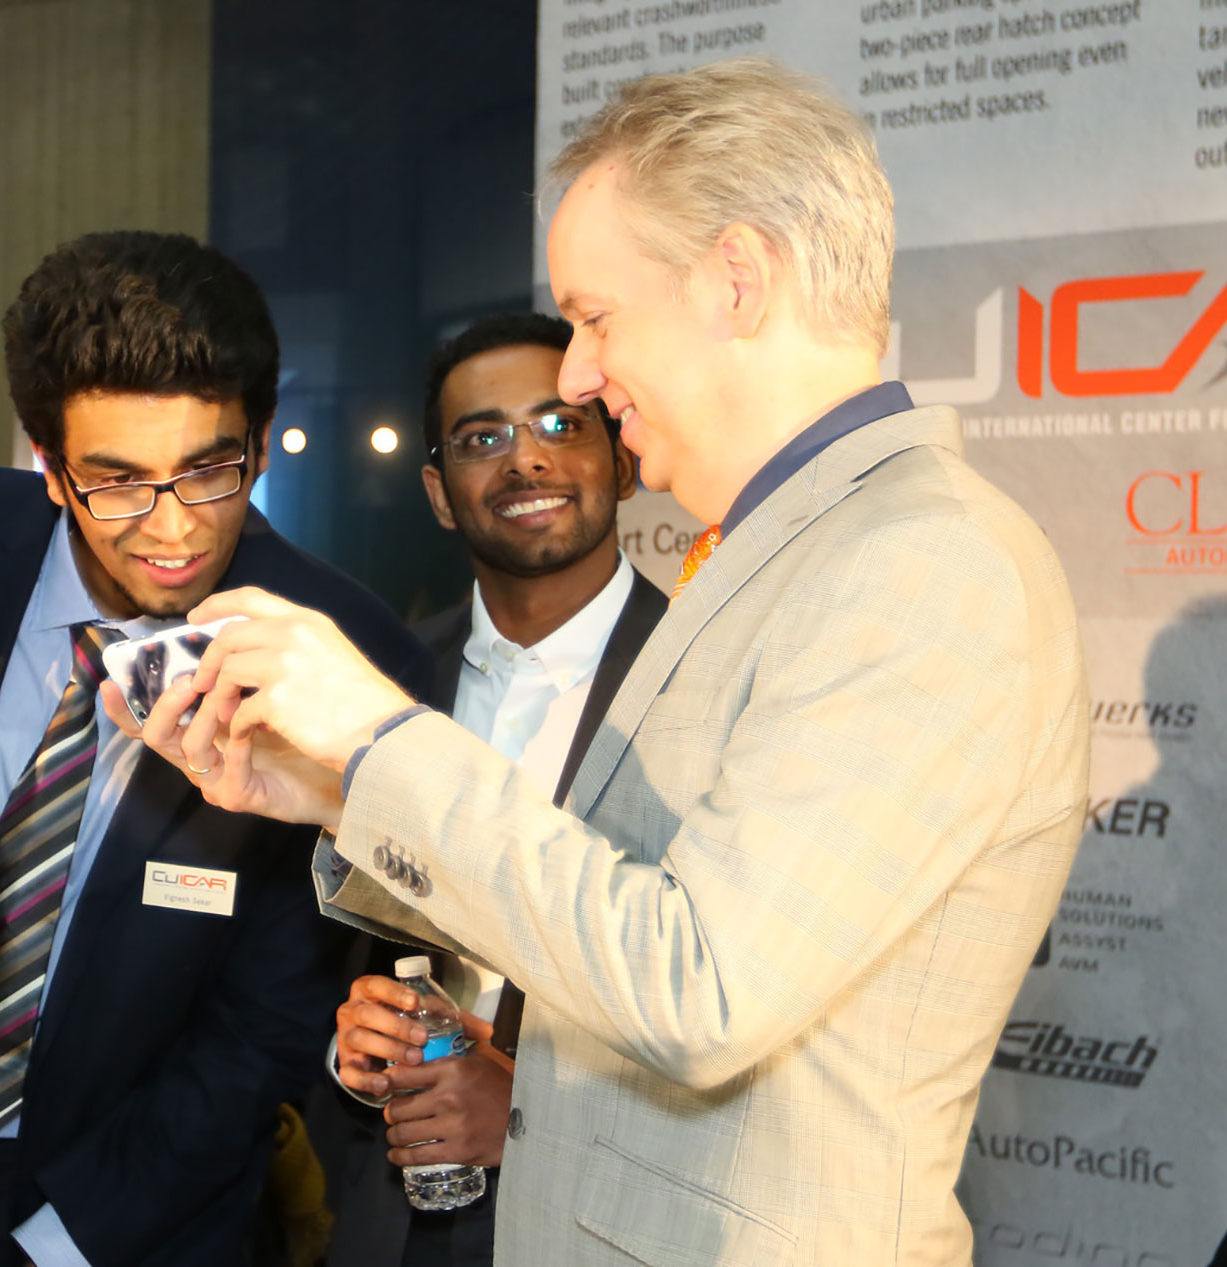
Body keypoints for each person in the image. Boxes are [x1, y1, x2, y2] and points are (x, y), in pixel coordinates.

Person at [116, 58, 1089, 1264]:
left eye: (597, 318)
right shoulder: (787, 554)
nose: (576, 372)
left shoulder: (920, 561)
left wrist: (377, 737)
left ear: (736, 279)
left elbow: (701, 989)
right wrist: (327, 788)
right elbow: (618, 913)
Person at [0, 230, 429, 1267]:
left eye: (209, 472)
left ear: (262, 443)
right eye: (117, 480)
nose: (171, 529)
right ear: (48, 468)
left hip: (129, 1211)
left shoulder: (351, 660)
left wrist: (57, 1246)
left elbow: (267, 1021)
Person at [325, 312, 664, 1267]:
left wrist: (530, 1111)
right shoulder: (381, 684)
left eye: (560, 424)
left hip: (597, 1230)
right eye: (483, 438)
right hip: (385, 1221)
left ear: (622, 460)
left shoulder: (701, 680)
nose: (526, 459)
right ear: (440, 493)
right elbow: (308, 959)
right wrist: (348, 1050)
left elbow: (739, 1014)